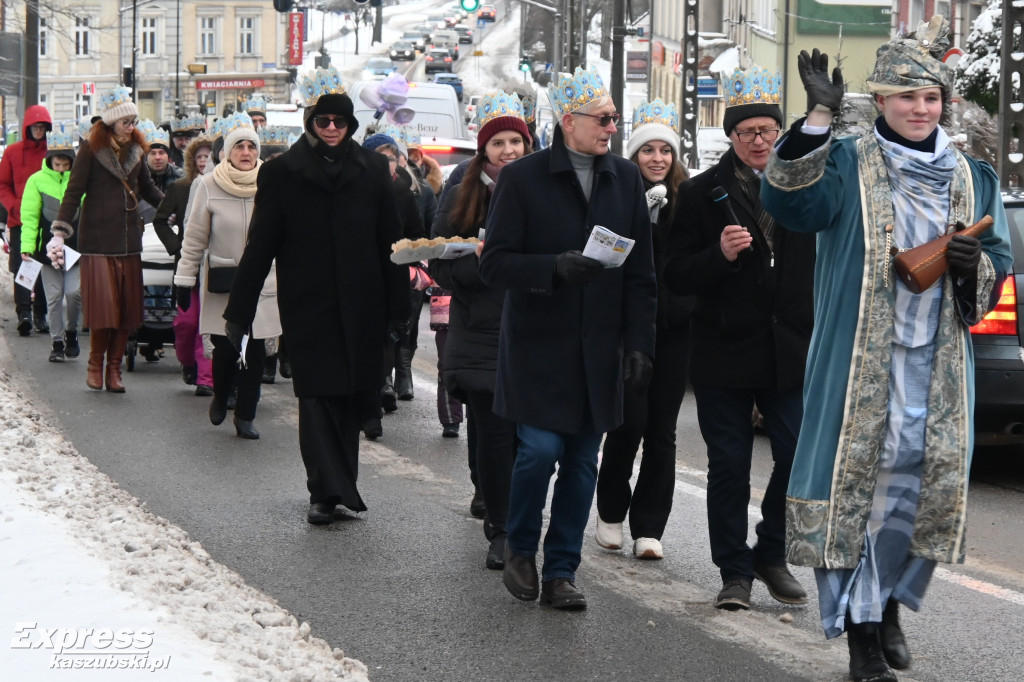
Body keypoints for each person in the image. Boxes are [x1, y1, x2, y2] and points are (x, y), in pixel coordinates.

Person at [760, 18, 1013, 682]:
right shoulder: (847, 159)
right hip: (858, 362)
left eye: (930, 99)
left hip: (936, 368)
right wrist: (817, 114)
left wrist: (967, 267)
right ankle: (862, 637)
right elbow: (790, 203)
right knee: (859, 495)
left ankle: (891, 603)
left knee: (913, 493)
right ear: (879, 102)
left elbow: (996, 262)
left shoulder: (972, 175)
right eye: (905, 98)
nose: (920, 109)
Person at [478, 66, 657, 610]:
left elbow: (641, 274)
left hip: (598, 350)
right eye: (603, 119)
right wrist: (554, 267)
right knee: (537, 452)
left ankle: (561, 572)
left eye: (614, 118)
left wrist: (639, 344)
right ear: (569, 121)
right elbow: (496, 266)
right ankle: (520, 550)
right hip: (538, 346)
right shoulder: (523, 178)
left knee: (582, 464)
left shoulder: (625, 179)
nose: (611, 127)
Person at [222, 66, 409, 524]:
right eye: (323, 121)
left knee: (348, 395)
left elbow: (393, 244)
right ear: (310, 123)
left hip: (362, 304)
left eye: (339, 122)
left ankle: (340, 486)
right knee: (316, 395)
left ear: (350, 126)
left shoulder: (371, 172)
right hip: (308, 304)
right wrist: (239, 311)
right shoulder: (283, 173)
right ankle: (323, 493)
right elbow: (261, 244)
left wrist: (398, 309)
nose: (330, 129)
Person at [664, 65, 814, 612]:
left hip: (789, 349)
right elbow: (676, 274)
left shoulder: (804, 189)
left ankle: (770, 552)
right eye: (747, 131)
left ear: (779, 134)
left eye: (767, 131)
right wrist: (719, 257)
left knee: (797, 455)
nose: (758, 140)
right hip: (724, 351)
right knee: (728, 464)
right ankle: (734, 571)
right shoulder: (703, 193)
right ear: (730, 136)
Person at [430, 90, 533, 570]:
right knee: (493, 434)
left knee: (527, 440)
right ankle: (502, 527)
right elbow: (440, 264)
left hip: (534, 328)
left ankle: (519, 517)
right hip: (481, 330)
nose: (508, 151)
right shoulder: (462, 192)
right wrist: (480, 265)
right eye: (499, 144)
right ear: (484, 150)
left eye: (516, 141)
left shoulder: (542, 189)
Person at [595, 99, 691, 561]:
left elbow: (693, 265)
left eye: (665, 151)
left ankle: (650, 527)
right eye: (648, 150)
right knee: (627, 424)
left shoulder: (686, 202)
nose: (657, 159)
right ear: (634, 157)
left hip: (673, 331)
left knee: (662, 431)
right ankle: (610, 513)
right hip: (627, 330)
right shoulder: (616, 193)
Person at [50, 86, 165, 393]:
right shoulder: (91, 148)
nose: (132, 126)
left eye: (133, 121)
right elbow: (74, 190)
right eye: (126, 121)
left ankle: (114, 370)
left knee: (126, 312)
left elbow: (149, 189)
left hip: (128, 241)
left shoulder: (137, 149)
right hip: (98, 242)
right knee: (104, 309)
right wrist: (60, 231)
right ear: (112, 122)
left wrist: (173, 209)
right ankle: (94, 365)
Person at [173, 113, 279, 440]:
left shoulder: (272, 183)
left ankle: (246, 415)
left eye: (251, 146)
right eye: (239, 147)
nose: (246, 152)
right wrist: (183, 278)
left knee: (257, 350)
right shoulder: (209, 184)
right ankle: (221, 395)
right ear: (227, 151)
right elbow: (194, 238)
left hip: (264, 282)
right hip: (224, 281)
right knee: (225, 349)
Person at [361, 132, 425, 428]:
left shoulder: (403, 191)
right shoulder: (354, 190)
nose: (388, 164)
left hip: (392, 274)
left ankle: (380, 392)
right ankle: (369, 402)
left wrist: (404, 252)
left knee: (387, 336)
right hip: (360, 276)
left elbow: (416, 233)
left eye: (391, 158)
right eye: (380, 158)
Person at [154, 134, 215, 396]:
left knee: (206, 324)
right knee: (186, 323)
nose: (203, 161)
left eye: (208, 156)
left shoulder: (221, 186)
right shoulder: (181, 187)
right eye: (199, 157)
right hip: (187, 265)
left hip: (214, 267)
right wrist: (177, 247)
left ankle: (205, 378)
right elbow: (160, 220)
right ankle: (187, 362)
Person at [19, 124, 83, 362]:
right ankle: (57, 342)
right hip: (47, 249)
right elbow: (30, 217)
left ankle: (72, 332)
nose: (61, 168)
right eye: (57, 164)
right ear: (49, 161)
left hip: (76, 248)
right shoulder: (36, 180)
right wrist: (26, 246)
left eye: (65, 164)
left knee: (75, 293)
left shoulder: (79, 181)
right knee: (54, 297)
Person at [0, 104, 52, 336]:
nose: (39, 131)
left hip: (45, 219)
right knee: (23, 265)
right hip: (19, 219)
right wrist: (13, 205)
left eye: (42, 127)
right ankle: (24, 314)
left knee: (42, 265)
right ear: (27, 128)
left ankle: (40, 313)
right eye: (35, 127)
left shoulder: (50, 153)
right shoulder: (12, 152)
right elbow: (2, 184)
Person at [137, 121, 184, 226]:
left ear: (168, 156)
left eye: (162, 153)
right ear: (146, 156)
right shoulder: (137, 179)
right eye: (153, 153)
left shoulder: (181, 177)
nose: (157, 157)